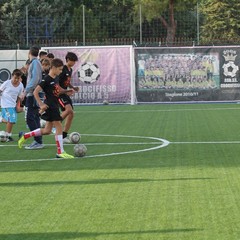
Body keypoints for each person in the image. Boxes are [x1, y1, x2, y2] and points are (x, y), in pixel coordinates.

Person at [18, 58, 74, 159]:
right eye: (60, 69)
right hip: (50, 106)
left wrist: (66, 91)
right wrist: (41, 104)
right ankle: (60, 152)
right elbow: (35, 92)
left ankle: (26, 135)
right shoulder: (46, 79)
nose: (61, 71)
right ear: (53, 68)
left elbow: (57, 90)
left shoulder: (55, 78)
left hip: (54, 105)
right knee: (59, 127)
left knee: (47, 130)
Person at [24, 46, 43, 149]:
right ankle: (38, 141)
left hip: (32, 94)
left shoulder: (35, 63)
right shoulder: (36, 63)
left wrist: (26, 91)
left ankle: (37, 141)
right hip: (35, 93)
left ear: (29, 53)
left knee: (30, 118)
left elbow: (35, 79)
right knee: (35, 117)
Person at [58, 52, 79, 143]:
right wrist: (66, 91)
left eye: (75, 61)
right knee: (69, 110)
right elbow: (57, 83)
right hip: (59, 94)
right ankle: (55, 123)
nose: (74, 62)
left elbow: (66, 81)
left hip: (64, 93)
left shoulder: (70, 70)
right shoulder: (62, 69)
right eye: (73, 61)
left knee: (71, 114)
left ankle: (63, 136)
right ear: (67, 60)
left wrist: (72, 87)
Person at [0, 69, 24, 141]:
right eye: (15, 78)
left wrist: (18, 105)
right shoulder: (7, 83)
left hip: (13, 104)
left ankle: (0, 118)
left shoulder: (21, 85)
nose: (16, 80)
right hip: (5, 104)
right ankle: (8, 136)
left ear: (20, 78)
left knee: (12, 121)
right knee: (11, 120)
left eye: (18, 78)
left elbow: (19, 97)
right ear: (12, 76)